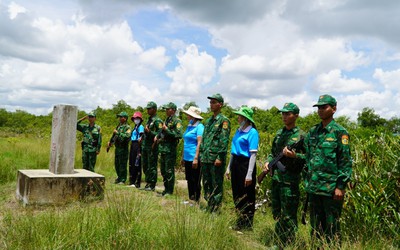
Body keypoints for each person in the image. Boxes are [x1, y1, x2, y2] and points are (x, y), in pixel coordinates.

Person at [304, 95, 352, 244]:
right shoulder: (313, 132)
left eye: (324, 107)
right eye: (319, 107)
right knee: (316, 227)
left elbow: (345, 161)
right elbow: (307, 157)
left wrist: (340, 186)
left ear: (334, 109)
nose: (320, 110)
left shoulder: (340, 132)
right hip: (314, 187)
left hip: (331, 189)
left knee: (332, 227)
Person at [262, 102, 306, 247]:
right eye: (283, 113)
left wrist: (294, 156)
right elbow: (272, 153)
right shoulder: (279, 133)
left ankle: (287, 243)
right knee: (277, 212)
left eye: (288, 114)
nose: (284, 116)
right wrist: (268, 163)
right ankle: (279, 240)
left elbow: (309, 157)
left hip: (290, 181)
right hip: (276, 178)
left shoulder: (301, 136)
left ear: (296, 115)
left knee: (289, 215)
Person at [225, 106, 259, 231]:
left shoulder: (252, 132)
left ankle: (247, 225)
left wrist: (249, 174)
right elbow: (233, 151)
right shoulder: (238, 131)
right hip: (236, 164)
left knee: (247, 195)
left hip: (246, 164)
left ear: (246, 118)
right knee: (237, 193)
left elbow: (253, 154)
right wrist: (228, 167)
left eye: (240, 116)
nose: (238, 118)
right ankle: (240, 221)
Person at [199, 93, 231, 212]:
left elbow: (224, 141)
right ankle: (210, 205)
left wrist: (220, 157)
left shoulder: (224, 120)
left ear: (220, 104)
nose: (211, 104)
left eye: (213, 102)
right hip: (206, 157)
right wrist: (202, 155)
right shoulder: (208, 121)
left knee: (216, 184)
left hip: (215, 158)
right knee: (206, 182)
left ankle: (216, 209)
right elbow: (204, 139)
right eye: (210, 102)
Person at [156, 102, 182, 196]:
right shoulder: (166, 119)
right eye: (166, 109)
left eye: (168, 109)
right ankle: (165, 189)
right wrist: (158, 137)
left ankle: (169, 191)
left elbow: (178, 135)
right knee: (163, 171)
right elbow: (162, 132)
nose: (166, 111)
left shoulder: (177, 121)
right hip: (163, 149)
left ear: (173, 110)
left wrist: (166, 129)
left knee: (169, 171)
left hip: (170, 150)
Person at [181, 106, 204, 202]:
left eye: (189, 114)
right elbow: (185, 141)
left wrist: (196, 157)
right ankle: (191, 198)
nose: (187, 116)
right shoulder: (190, 125)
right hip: (187, 156)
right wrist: (182, 156)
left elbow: (199, 142)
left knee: (195, 179)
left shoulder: (200, 127)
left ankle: (196, 199)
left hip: (194, 157)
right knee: (189, 179)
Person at [142, 101, 163, 191]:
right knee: (145, 165)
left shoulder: (157, 120)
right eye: (147, 108)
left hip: (152, 146)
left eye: (149, 109)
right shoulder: (149, 119)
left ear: (154, 109)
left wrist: (149, 132)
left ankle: (152, 184)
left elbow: (160, 134)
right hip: (145, 145)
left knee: (152, 166)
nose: (148, 110)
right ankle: (148, 183)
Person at [108, 111, 131, 184]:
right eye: (119, 117)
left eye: (121, 117)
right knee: (117, 164)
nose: (120, 118)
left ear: (125, 118)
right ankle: (119, 177)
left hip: (123, 149)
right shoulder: (118, 126)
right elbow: (114, 136)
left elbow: (127, 136)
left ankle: (123, 179)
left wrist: (117, 132)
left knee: (122, 165)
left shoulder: (128, 127)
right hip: (117, 149)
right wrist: (110, 142)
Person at [128, 111, 145, 188]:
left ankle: (137, 182)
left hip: (137, 145)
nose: (135, 120)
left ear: (140, 119)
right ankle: (132, 181)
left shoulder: (141, 127)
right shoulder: (135, 127)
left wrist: (139, 148)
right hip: (133, 144)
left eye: (137, 118)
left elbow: (142, 136)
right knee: (131, 162)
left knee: (136, 163)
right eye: (134, 118)